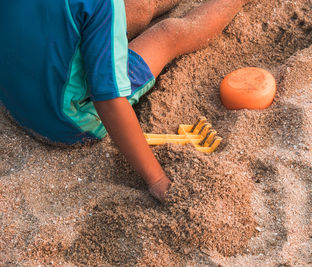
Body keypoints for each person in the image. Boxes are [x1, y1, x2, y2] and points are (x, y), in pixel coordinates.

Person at [0, 0, 251, 202]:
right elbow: (108, 99)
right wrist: (156, 179)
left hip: (10, 91)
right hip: (65, 117)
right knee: (168, 34)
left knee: (138, 7)